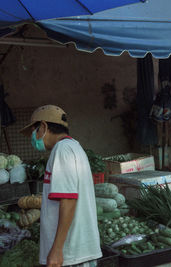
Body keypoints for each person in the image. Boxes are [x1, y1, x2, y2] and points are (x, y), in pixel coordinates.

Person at [20, 105, 102, 267]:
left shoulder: (62, 151)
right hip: (77, 252)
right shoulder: (74, 148)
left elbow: (68, 200)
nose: (33, 138)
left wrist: (57, 250)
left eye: (34, 131)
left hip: (70, 254)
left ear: (43, 127)